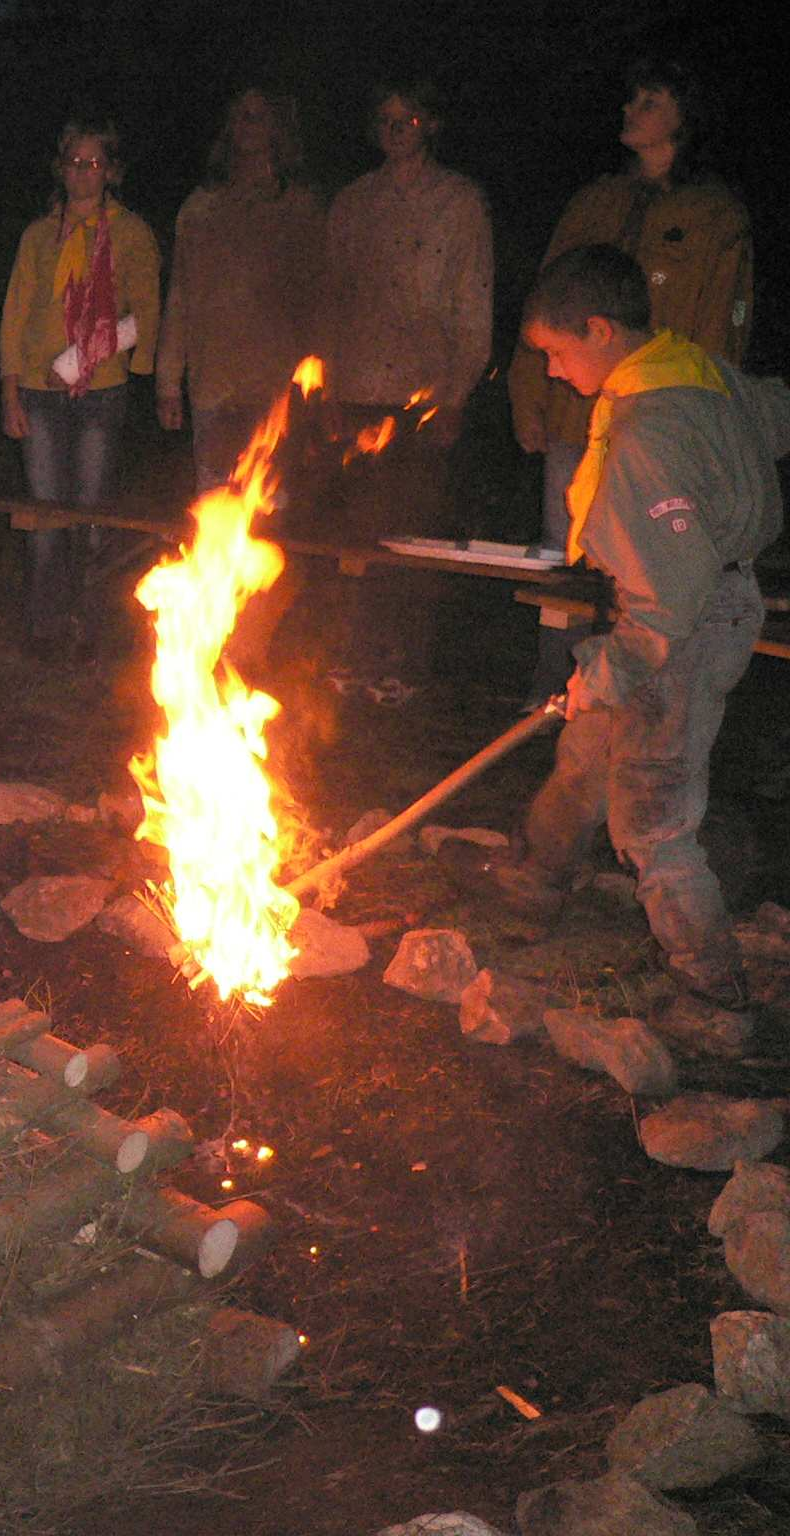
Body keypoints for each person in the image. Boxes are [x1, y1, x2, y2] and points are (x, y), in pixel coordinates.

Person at [448, 246, 786, 1010]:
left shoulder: (649, 433)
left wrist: (605, 669)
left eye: (558, 354)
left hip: (685, 627)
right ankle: (534, 885)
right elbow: (774, 414)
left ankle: (711, 981)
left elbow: (669, 602)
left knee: (651, 812)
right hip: (690, 599)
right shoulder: (693, 373)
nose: (556, 373)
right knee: (586, 753)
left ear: (600, 330)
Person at [507, 59, 753, 701]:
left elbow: (722, 326)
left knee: (645, 558)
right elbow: (548, 305)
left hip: (658, 426)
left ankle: (635, 683)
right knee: (567, 553)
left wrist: (702, 423)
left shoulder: (713, 215)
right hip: (574, 415)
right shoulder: (597, 202)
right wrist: (529, 392)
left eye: (651, 99)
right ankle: (557, 685)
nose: (631, 108)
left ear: (685, 116)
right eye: (632, 97)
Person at [320, 80, 492, 694]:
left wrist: (457, 394)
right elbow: (333, 302)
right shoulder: (353, 204)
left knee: (416, 532)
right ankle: (355, 651)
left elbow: (473, 303)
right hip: (362, 384)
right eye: (386, 119)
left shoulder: (459, 202)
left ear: (430, 125)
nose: (396, 130)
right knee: (357, 533)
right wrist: (331, 389)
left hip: (426, 389)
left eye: (408, 119)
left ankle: (405, 661)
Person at [0, 114, 160, 650]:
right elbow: (16, 313)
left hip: (100, 392)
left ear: (111, 171)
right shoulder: (40, 235)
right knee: (46, 518)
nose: (82, 173)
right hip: (39, 398)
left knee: (91, 516)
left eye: (93, 163)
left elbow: (144, 313)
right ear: (60, 168)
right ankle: (45, 628)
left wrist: (80, 358)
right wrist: (10, 388)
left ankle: (87, 627)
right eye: (73, 163)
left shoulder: (131, 233)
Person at [155, 87, 323, 491]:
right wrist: (167, 381)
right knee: (215, 509)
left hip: (274, 386)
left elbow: (316, 302)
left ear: (276, 129)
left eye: (258, 117)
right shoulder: (200, 209)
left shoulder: (297, 209)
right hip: (214, 384)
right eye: (241, 117)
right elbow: (180, 298)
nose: (248, 127)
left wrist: (317, 386)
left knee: (268, 510)